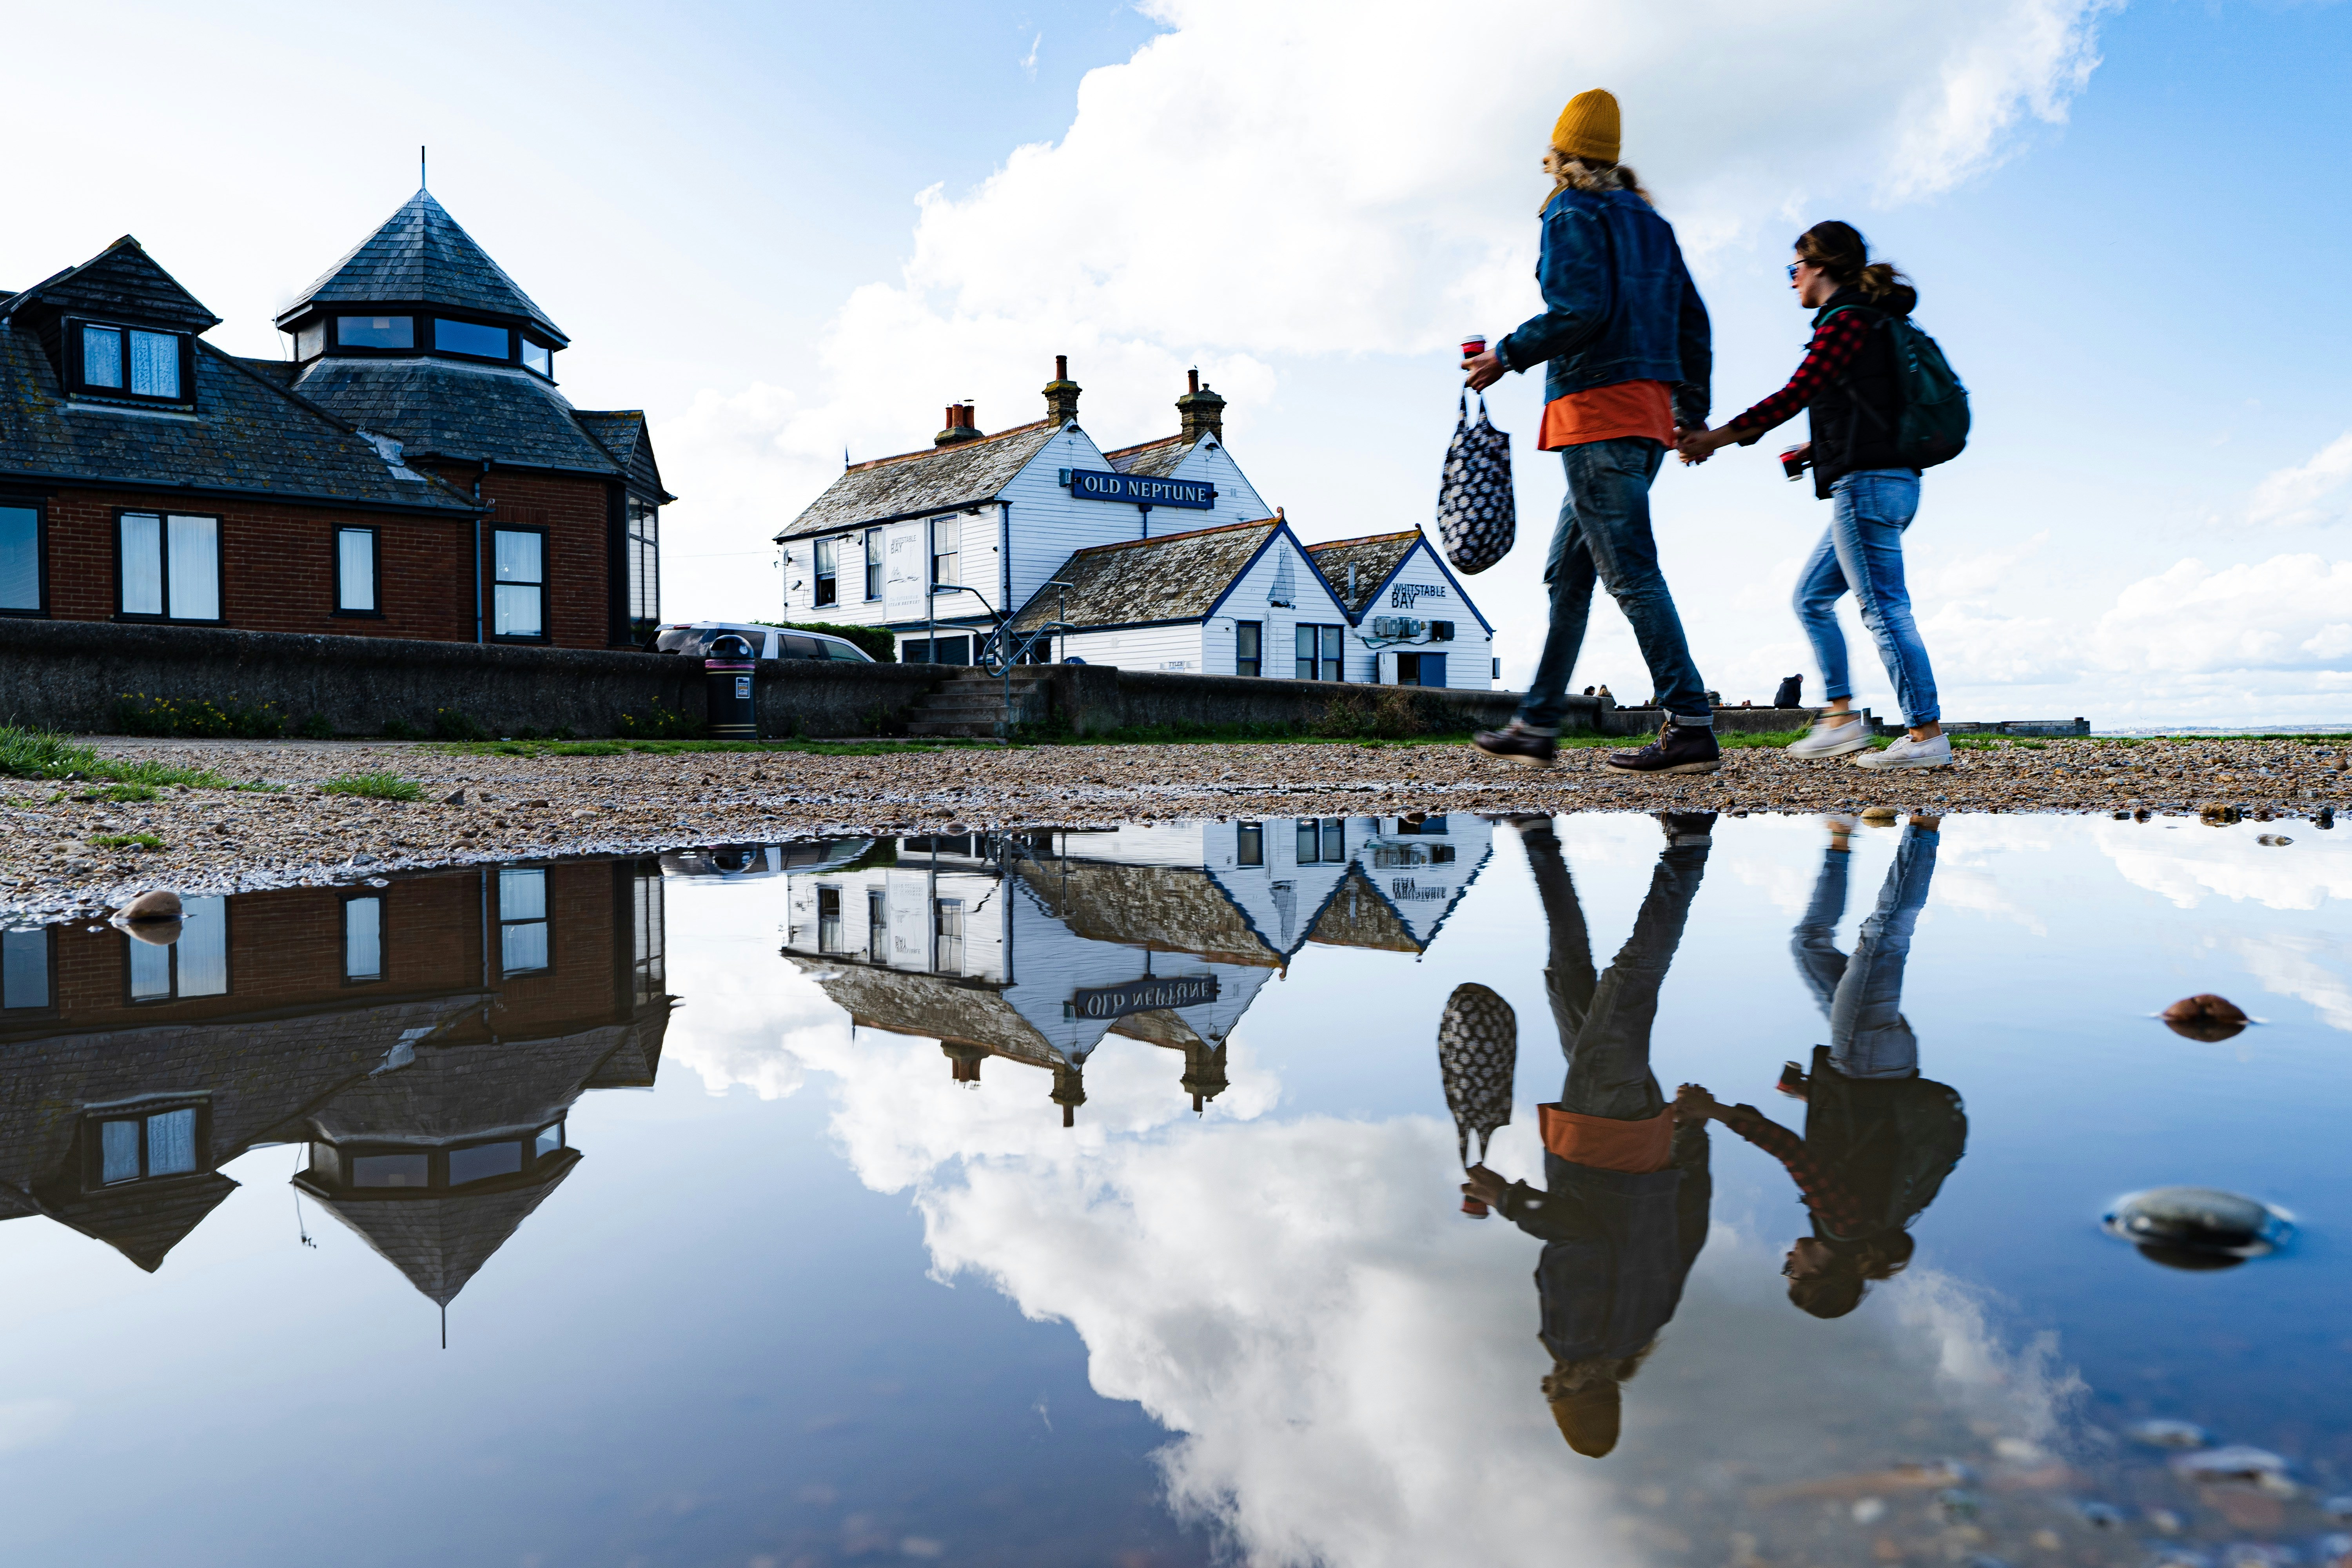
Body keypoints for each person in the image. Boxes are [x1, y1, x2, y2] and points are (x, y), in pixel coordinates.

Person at [1463, 89, 1719, 775]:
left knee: (1630, 573)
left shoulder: (1571, 212)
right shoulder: (1651, 224)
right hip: (1648, 416)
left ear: (1559, 154)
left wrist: (1507, 355)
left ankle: (1691, 722)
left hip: (1598, 413)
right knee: (1568, 573)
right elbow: (1694, 324)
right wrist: (1691, 413)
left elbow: (1580, 309)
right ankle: (1539, 722)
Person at [1461, 811, 1715, 1455]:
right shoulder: (1573, 1339)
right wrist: (1506, 1199)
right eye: (1555, 1396)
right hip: (1598, 1137)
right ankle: (1689, 846)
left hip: (1644, 1135)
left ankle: (1539, 836)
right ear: (1574, 1396)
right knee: (1630, 984)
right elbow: (1578, 1230)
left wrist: (1691, 1138)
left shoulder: (1647, 1328)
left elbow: (1690, 1230)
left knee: (1568, 975)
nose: (1546, 1387)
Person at [1673, 814, 1967, 1318]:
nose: (1789, 1259)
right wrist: (1712, 1110)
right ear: (1823, 1271)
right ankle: (1925, 824)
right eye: (1794, 1271)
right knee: (1883, 936)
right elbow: (1793, 1154)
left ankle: (1840, 833)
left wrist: (1812, 1096)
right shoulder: (1843, 1226)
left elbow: (1871, 1138)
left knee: (1809, 944)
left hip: (1875, 1066)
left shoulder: (1866, 1224)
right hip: (1865, 1059)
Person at [1677, 222, 1948, 770]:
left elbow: (1795, 393)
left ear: (1819, 265)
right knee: (1811, 598)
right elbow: (1871, 411)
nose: (1792, 280)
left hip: (1866, 487)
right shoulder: (1875, 324)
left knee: (1885, 609)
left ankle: (1925, 734)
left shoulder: (1846, 321)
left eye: (1794, 268)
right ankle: (1842, 716)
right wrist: (1813, 450)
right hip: (1890, 481)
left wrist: (1715, 438)